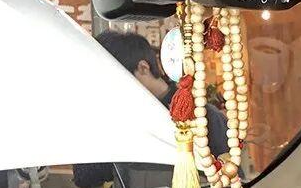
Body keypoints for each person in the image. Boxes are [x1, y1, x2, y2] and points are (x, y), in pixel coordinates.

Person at [72, 31, 230, 188]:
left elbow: (231, 177)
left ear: (143, 68)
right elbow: (86, 178)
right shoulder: (119, 119)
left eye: (114, 81)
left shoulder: (202, 116)